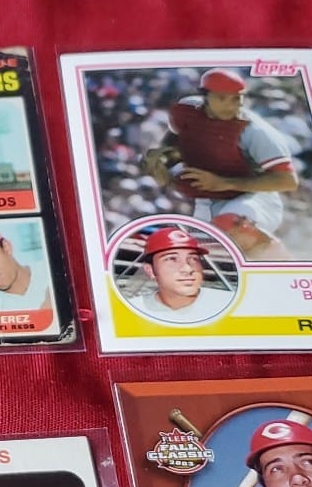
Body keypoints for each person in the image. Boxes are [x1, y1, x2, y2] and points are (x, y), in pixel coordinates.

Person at [143, 69, 298, 261]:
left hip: (254, 197)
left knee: (231, 225)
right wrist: (163, 161)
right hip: (208, 202)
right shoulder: (187, 111)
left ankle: (290, 271)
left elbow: (287, 181)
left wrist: (224, 183)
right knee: (205, 255)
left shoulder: (256, 132)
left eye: (236, 98)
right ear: (206, 97)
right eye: (222, 98)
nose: (230, 105)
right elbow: (176, 141)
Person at [125, 225, 233, 323]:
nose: (188, 268)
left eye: (193, 258)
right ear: (150, 271)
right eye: (172, 259)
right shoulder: (130, 310)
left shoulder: (228, 303)